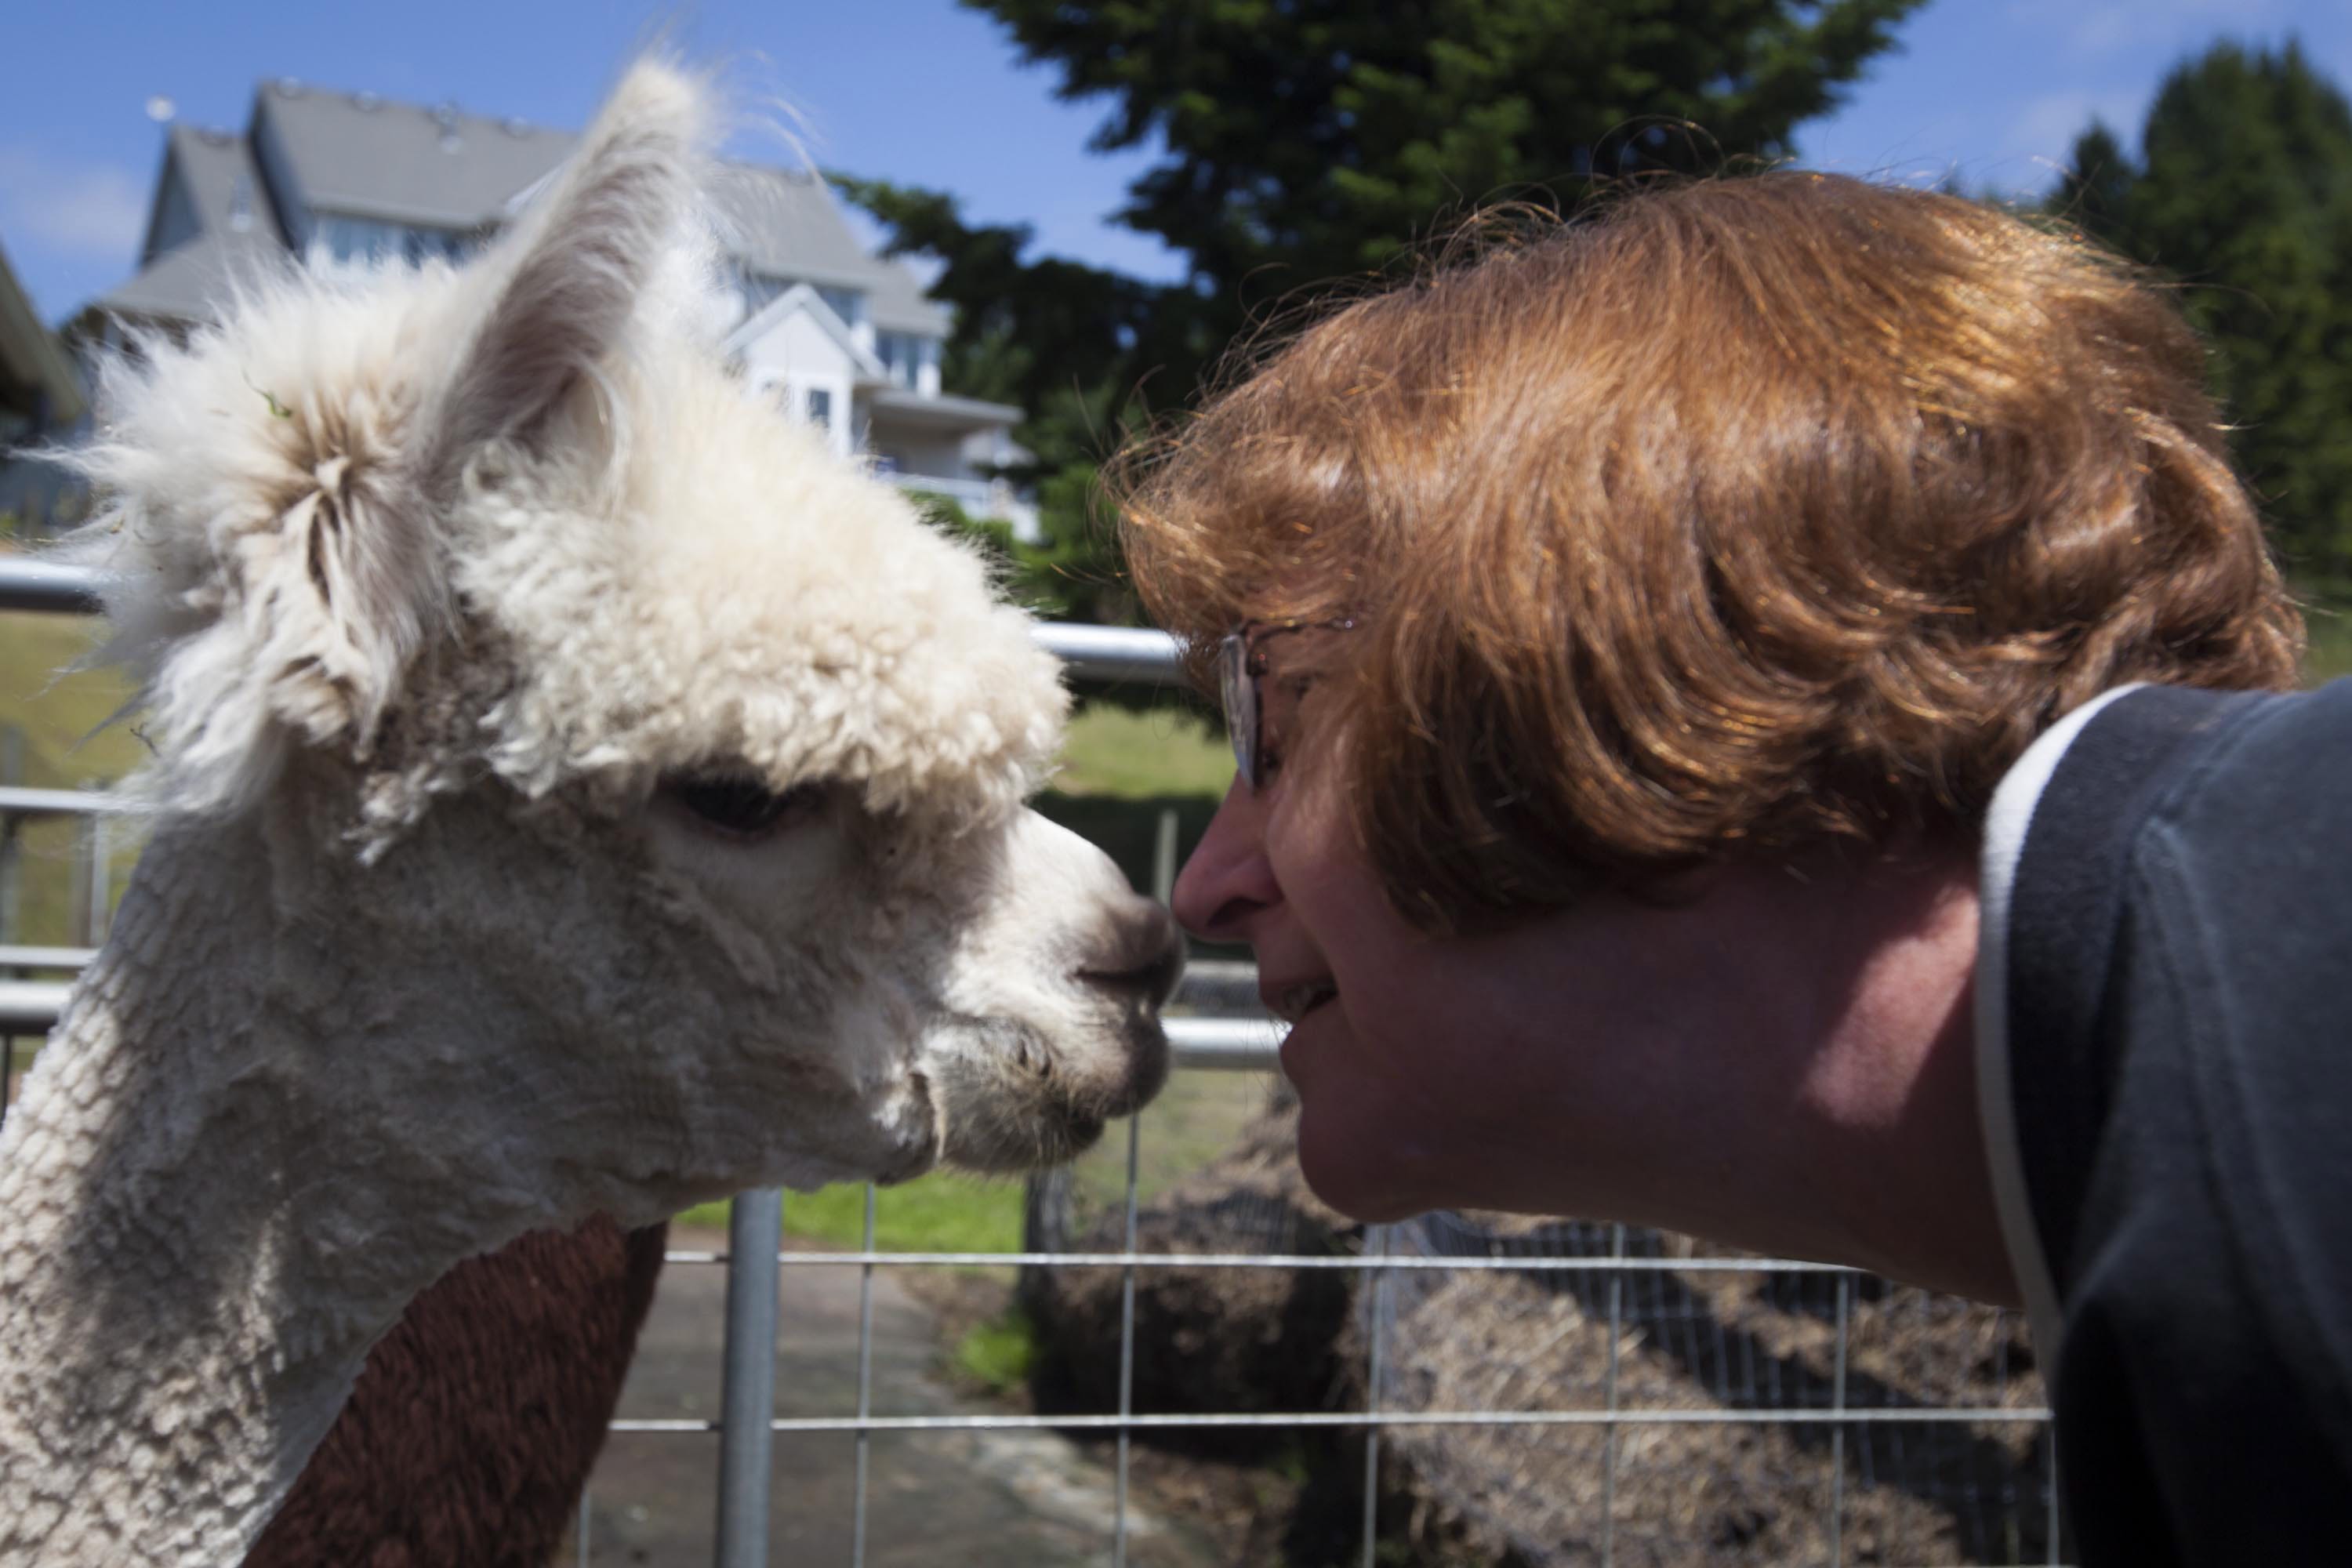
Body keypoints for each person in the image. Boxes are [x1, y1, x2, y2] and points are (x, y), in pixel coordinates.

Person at [1113, 171, 2351, 1563]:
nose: (1204, 891)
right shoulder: (2193, 1121)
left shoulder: (2288, 1125)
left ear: (1612, 647)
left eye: (1266, 711)